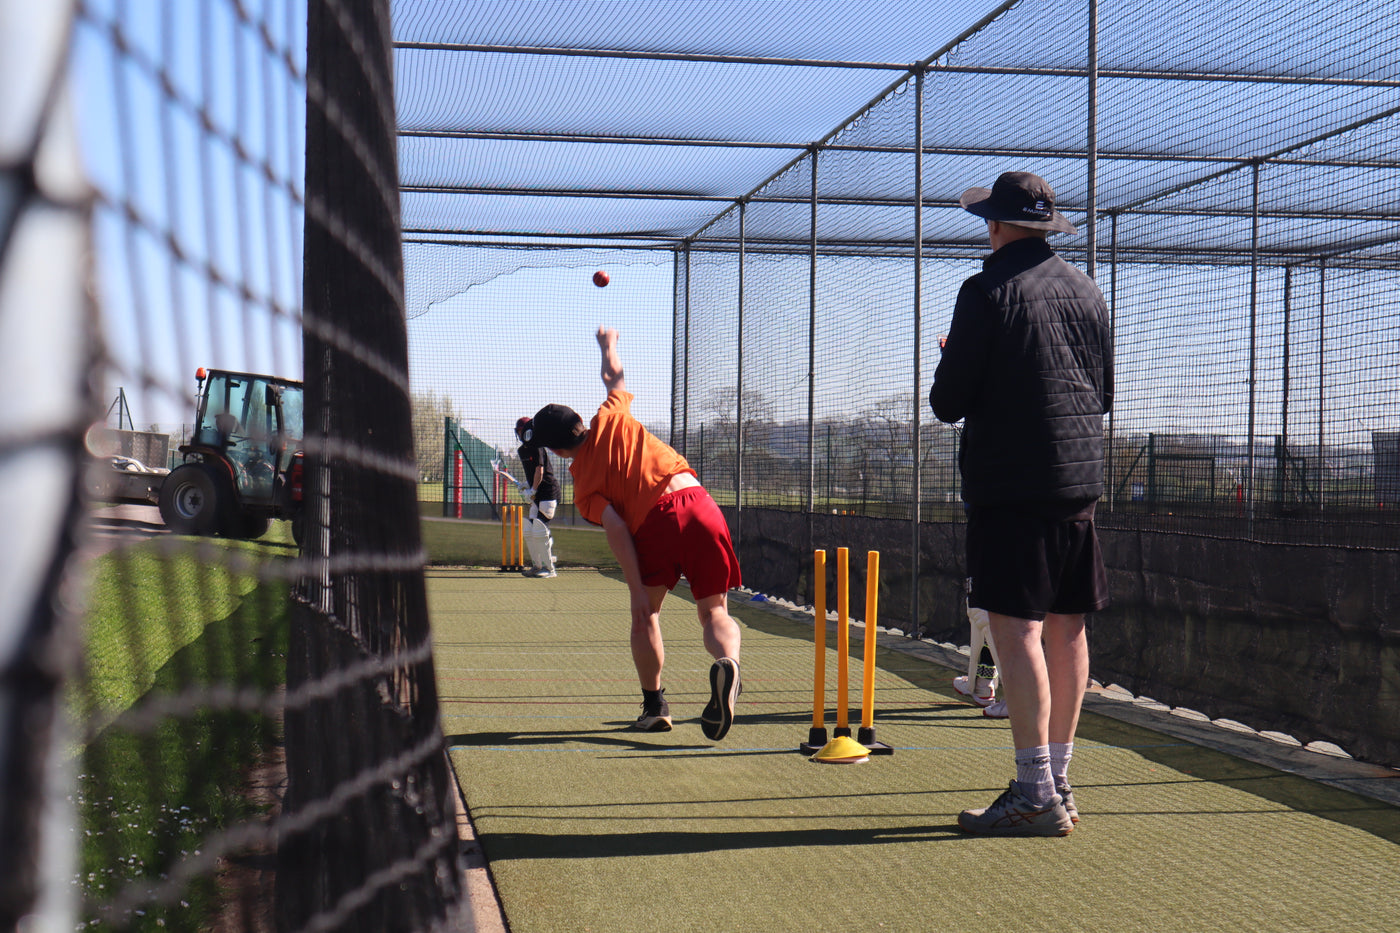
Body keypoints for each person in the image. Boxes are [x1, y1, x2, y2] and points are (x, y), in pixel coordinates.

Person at [929, 171, 1113, 836]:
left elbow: (948, 401)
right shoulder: (1088, 290)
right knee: (1068, 627)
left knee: (1018, 629)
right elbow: (1102, 392)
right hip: (1079, 479)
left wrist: (956, 358)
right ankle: (1058, 781)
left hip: (1012, 483)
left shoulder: (985, 290)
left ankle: (1035, 792)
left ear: (996, 225)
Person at [529, 326, 743, 740]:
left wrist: (636, 591)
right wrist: (608, 344)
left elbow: (616, 528)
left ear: (555, 451)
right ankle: (728, 663)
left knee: (646, 615)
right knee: (715, 612)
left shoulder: (584, 485)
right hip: (700, 503)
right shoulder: (611, 415)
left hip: (656, 520)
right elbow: (614, 376)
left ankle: (655, 706)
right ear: (579, 422)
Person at [513, 415, 561, 578]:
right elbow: (531, 473)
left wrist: (532, 490)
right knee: (529, 530)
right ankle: (537, 566)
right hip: (537, 496)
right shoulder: (522, 451)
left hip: (548, 492)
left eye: (523, 430)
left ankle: (550, 569)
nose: (521, 434)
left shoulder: (537, 446)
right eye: (519, 431)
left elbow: (539, 470)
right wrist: (526, 485)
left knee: (540, 530)